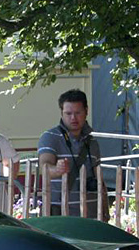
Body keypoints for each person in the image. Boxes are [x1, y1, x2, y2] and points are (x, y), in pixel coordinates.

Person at [38, 89, 105, 218]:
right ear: (61, 113)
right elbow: (45, 166)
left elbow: (100, 178)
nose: (73, 118)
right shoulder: (50, 137)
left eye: (77, 113)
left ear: (86, 111)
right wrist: (57, 169)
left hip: (90, 214)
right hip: (61, 214)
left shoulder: (93, 142)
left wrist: (105, 209)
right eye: (68, 113)